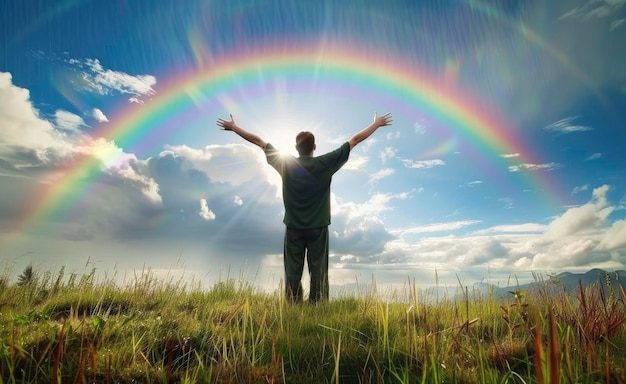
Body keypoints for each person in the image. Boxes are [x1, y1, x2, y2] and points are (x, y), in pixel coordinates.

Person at [217, 112, 393, 304]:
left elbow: (259, 141)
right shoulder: (325, 163)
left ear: (296, 148)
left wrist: (234, 128)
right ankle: (317, 304)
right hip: (318, 228)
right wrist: (376, 124)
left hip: (293, 228)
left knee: (292, 270)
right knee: (318, 270)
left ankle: (293, 305)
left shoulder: (286, 163)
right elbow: (354, 140)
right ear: (314, 147)